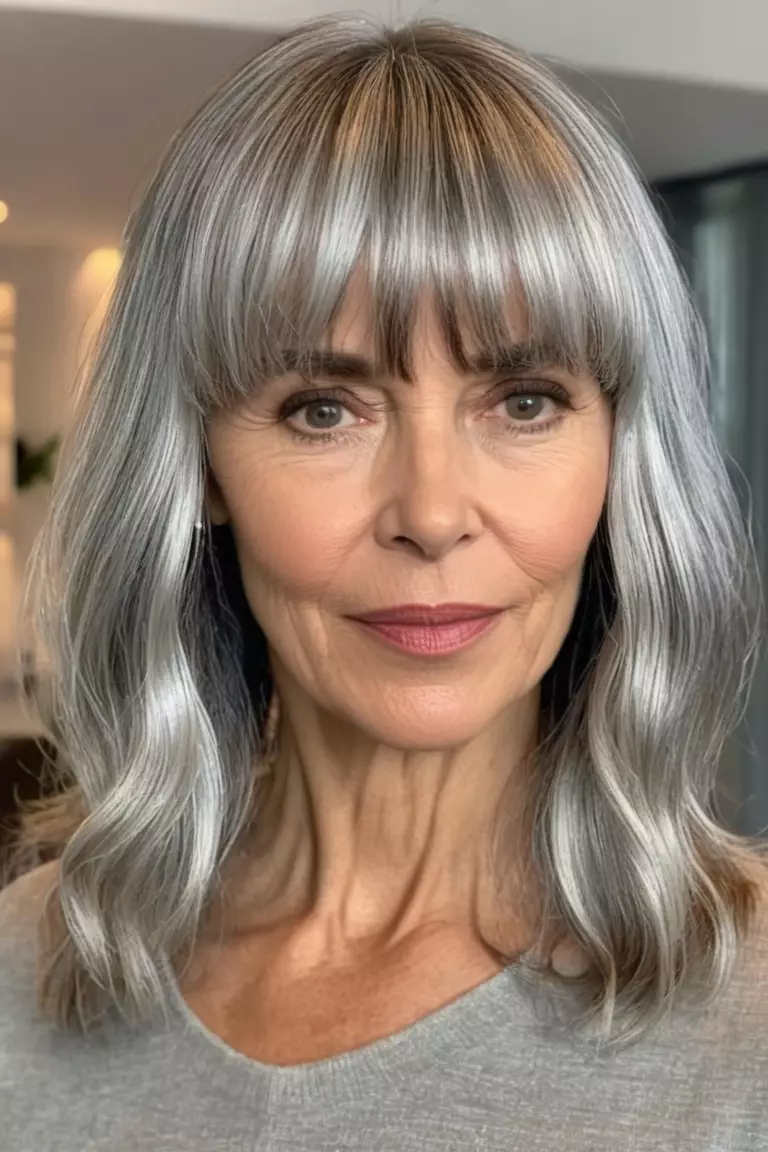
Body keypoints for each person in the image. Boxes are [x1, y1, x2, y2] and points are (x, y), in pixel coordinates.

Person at [1, 13, 767, 1150]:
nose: (432, 514)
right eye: (325, 408)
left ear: (619, 453)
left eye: (524, 400)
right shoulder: (28, 967)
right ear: (201, 463)